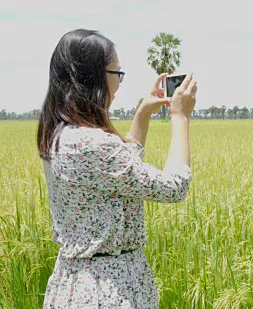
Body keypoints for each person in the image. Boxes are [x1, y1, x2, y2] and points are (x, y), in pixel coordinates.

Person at [37, 28, 197, 308]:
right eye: (117, 73)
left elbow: (119, 170)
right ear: (93, 77)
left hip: (76, 282)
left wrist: (143, 113)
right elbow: (174, 187)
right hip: (109, 289)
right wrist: (180, 117)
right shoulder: (91, 144)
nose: (120, 83)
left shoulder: (61, 135)